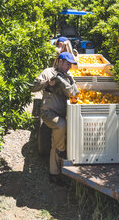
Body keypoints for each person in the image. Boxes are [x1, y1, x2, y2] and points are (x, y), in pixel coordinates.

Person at [31, 52, 79, 186]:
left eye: (71, 64)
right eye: (67, 63)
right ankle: (62, 152)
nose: (69, 66)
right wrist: (47, 83)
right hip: (48, 113)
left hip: (64, 113)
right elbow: (32, 87)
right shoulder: (48, 72)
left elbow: (75, 93)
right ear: (60, 61)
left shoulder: (69, 75)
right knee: (61, 126)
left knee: (56, 141)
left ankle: (54, 173)